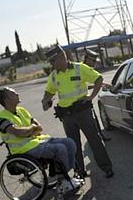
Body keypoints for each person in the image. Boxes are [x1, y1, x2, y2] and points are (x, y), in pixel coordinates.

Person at [42, 45, 114, 179]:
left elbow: (98, 79)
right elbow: (49, 91)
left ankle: (106, 167)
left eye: (53, 61)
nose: (51, 64)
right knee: (73, 145)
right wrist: (45, 100)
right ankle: (80, 172)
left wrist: (91, 96)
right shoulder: (53, 76)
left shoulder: (79, 68)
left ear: (62, 57)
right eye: (50, 62)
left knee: (94, 140)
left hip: (82, 112)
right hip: (66, 116)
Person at [0, 87, 83, 192]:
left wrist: (28, 131)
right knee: (60, 148)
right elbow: (19, 133)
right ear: (7, 100)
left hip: (37, 141)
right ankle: (62, 180)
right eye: (13, 93)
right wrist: (31, 128)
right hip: (23, 149)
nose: (17, 94)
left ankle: (63, 175)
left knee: (70, 142)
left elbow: (39, 128)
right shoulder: (1, 118)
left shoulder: (22, 110)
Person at [83, 49, 111, 142]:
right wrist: (91, 96)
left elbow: (86, 84)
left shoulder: (84, 68)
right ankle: (97, 139)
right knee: (91, 122)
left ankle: (100, 136)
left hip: (85, 102)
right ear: (87, 59)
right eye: (93, 61)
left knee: (94, 120)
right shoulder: (82, 68)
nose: (95, 63)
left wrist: (102, 84)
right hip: (81, 103)